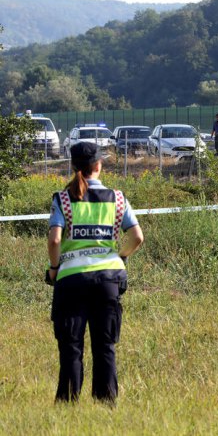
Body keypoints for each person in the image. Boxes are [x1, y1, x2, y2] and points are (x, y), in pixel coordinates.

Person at [47, 142, 144, 404]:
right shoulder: (118, 198)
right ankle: (106, 403)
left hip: (71, 281)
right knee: (105, 346)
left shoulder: (63, 199)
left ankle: (67, 403)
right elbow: (137, 237)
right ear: (98, 165)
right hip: (108, 280)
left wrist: (54, 269)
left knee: (71, 347)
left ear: (73, 166)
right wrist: (120, 257)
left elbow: (55, 241)